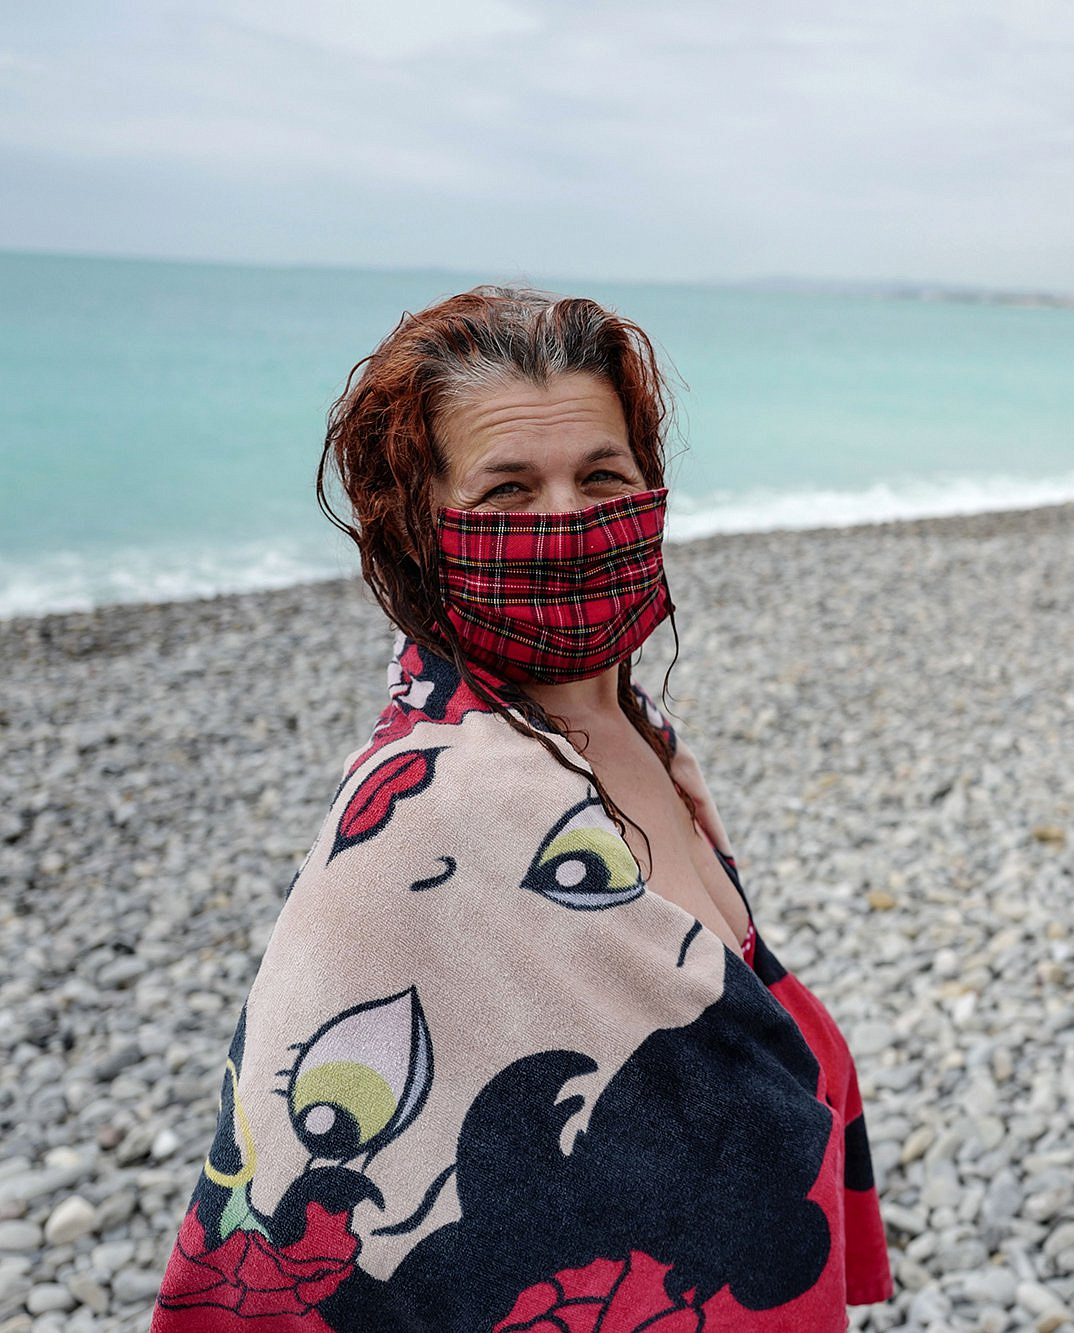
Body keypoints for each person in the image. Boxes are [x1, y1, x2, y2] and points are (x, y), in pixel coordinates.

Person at [152, 288, 890, 1331]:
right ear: (419, 528)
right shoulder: (421, 818)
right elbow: (275, 1232)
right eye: (507, 491)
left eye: (602, 476)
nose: (567, 520)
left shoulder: (640, 730)